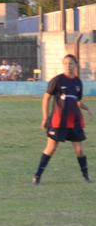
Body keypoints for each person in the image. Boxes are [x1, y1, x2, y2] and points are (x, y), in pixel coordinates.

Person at [33, 54, 91, 185]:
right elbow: (46, 98)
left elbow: (76, 101)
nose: (68, 66)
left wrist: (86, 108)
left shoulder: (77, 82)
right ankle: (37, 176)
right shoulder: (57, 80)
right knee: (51, 148)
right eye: (65, 63)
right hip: (58, 121)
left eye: (71, 63)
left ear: (75, 65)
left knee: (79, 150)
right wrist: (44, 117)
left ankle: (86, 176)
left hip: (74, 121)